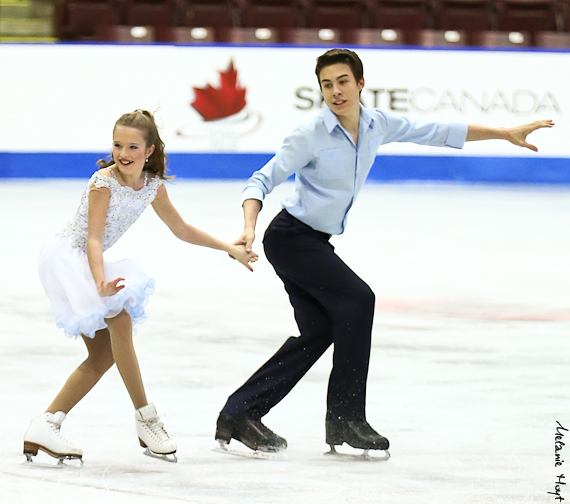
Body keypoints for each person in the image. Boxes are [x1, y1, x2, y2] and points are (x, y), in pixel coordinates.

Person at [214, 48, 554, 456]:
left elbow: (439, 130)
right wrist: (248, 227)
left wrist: (504, 133)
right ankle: (346, 419)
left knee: (321, 331)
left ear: (360, 84)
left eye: (343, 82)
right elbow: (261, 180)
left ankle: (240, 413)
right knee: (358, 300)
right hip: (290, 238)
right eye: (326, 84)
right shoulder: (310, 135)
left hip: (314, 241)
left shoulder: (376, 124)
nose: (335, 91)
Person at [23, 109, 258, 464]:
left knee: (102, 356)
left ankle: (47, 422)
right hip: (70, 259)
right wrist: (100, 280)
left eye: (133, 146)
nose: (123, 153)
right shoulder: (103, 182)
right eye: (118, 144)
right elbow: (95, 240)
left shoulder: (151, 186)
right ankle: (146, 417)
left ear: (149, 150)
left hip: (88, 262)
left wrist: (229, 248)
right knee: (120, 318)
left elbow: (181, 229)